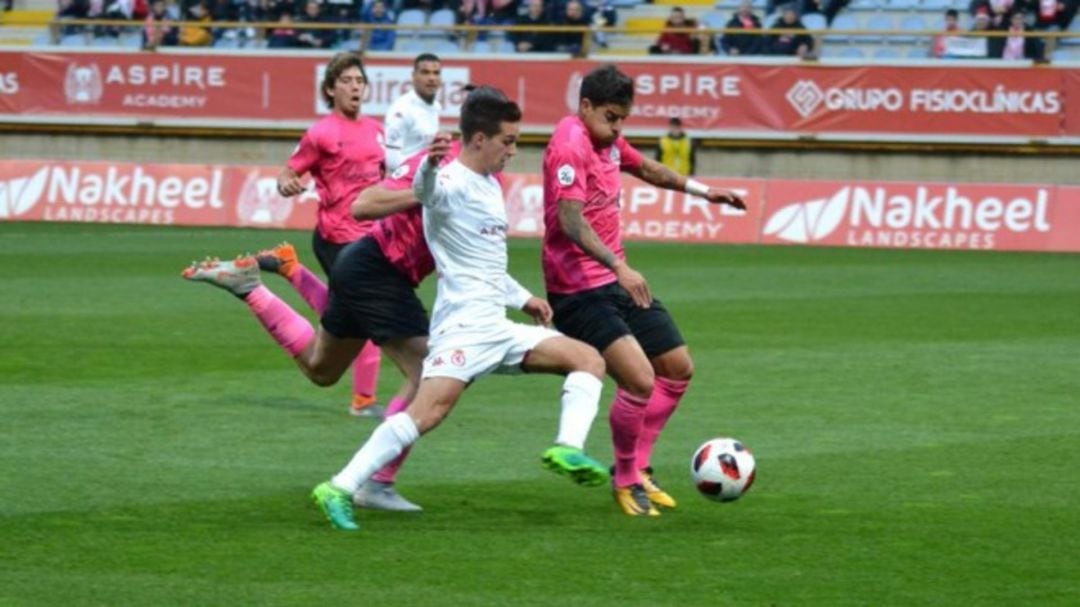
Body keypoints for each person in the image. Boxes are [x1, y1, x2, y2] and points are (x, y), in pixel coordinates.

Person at [310, 86, 611, 531]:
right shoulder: (447, 180)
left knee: (588, 360)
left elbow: (485, 264)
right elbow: (419, 194)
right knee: (426, 413)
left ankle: (567, 447)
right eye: (507, 141)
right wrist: (429, 168)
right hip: (464, 330)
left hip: (497, 324)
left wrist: (523, 297)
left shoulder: (490, 186)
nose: (512, 151)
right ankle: (339, 486)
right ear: (478, 140)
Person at [541, 65, 745, 517]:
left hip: (614, 280)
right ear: (586, 106)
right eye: (611, 118)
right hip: (577, 290)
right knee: (638, 379)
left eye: (623, 121)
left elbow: (645, 167)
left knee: (677, 368)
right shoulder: (570, 145)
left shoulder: (607, 141)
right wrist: (618, 264)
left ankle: (638, 467)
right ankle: (627, 478)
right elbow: (570, 221)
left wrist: (704, 191)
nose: (617, 129)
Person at [274, 52, 386, 417]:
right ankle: (363, 400)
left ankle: (292, 270)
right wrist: (288, 184)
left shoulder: (376, 130)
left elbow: (384, 178)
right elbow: (288, 173)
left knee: (346, 315)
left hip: (370, 238)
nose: (356, 87)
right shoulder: (320, 133)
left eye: (360, 81)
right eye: (347, 81)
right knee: (366, 316)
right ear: (330, 89)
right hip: (336, 239)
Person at [384, 53, 443, 171]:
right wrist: (425, 168)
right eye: (425, 72)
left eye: (436, 73)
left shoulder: (436, 106)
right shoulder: (401, 109)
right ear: (413, 76)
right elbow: (391, 160)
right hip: (403, 184)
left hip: (425, 181)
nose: (432, 78)